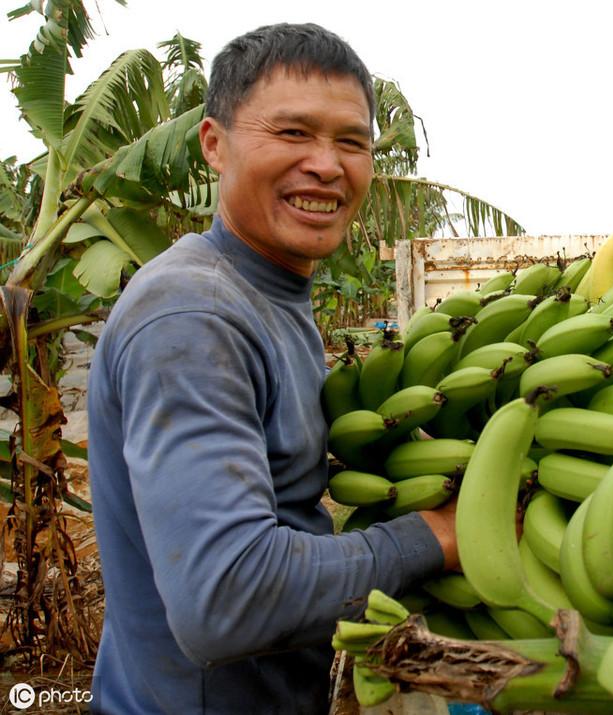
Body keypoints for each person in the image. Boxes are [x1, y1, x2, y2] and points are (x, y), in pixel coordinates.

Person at [87, 23, 456, 714]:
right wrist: (438, 534)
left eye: (352, 142)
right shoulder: (192, 314)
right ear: (213, 144)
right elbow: (226, 596)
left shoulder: (268, 290)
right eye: (292, 134)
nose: (326, 164)